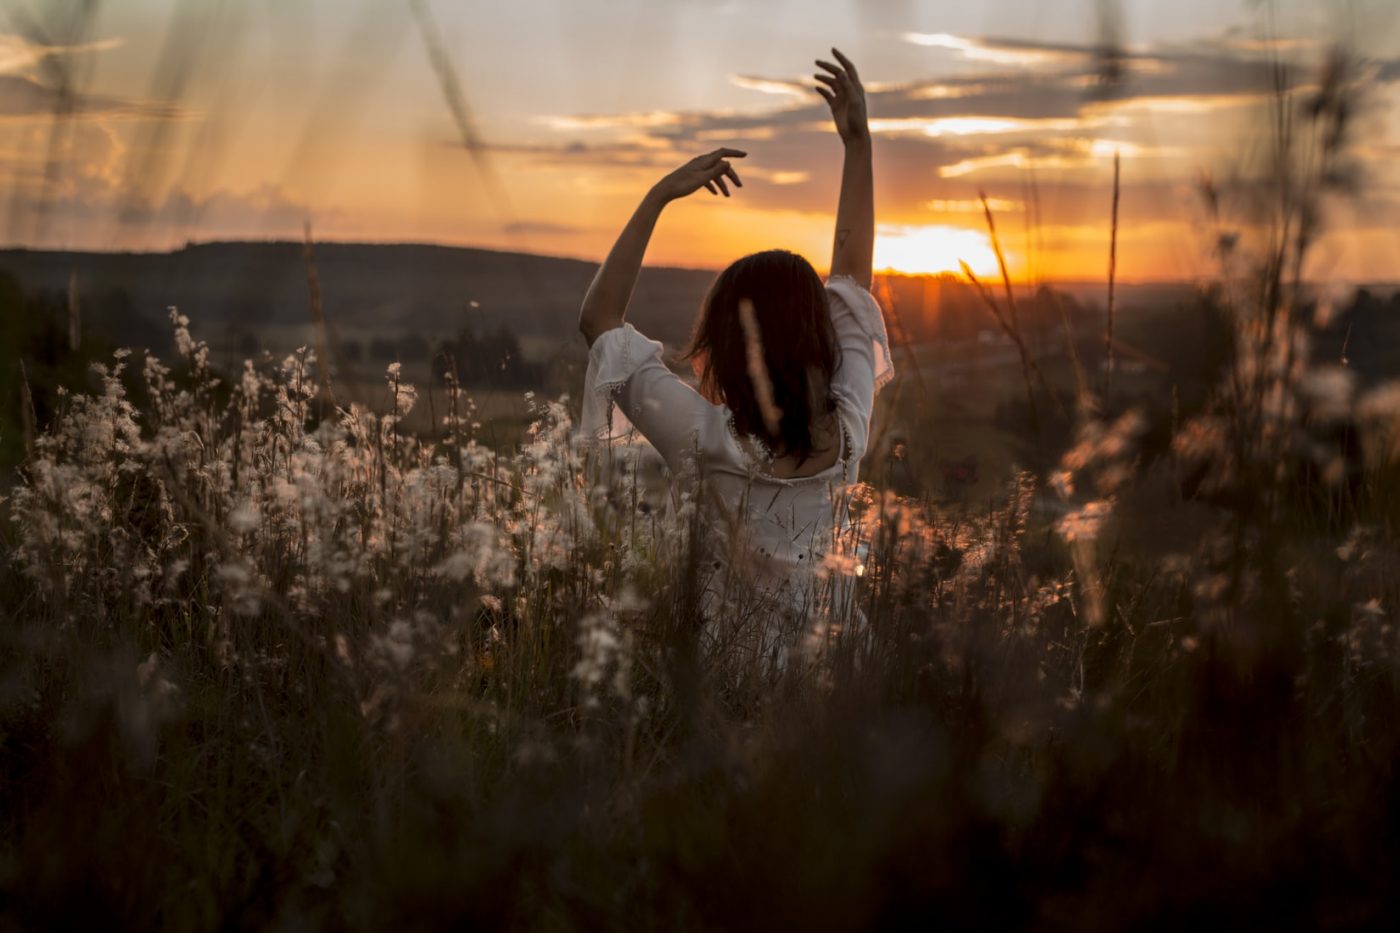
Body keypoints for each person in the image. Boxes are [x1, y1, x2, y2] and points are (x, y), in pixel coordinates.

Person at [576, 49, 893, 661]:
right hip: (839, 681)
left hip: (732, 696)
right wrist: (859, 146)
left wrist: (659, 196)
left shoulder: (705, 437)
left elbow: (599, 322)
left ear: (726, 344)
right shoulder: (849, 425)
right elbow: (852, 280)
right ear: (816, 339)